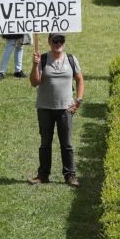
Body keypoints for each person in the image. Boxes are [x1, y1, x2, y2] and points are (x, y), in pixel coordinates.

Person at [29, 33, 85, 187]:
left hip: (65, 109)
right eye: (55, 41)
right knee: (45, 143)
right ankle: (43, 175)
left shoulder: (71, 59)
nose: (58, 43)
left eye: (61, 40)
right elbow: (34, 82)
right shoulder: (43, 59)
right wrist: (35, 65)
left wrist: (78, 100)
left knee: (66, 144)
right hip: (45, 108)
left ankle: (70, 176)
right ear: (49, 42)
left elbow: (80, 79)